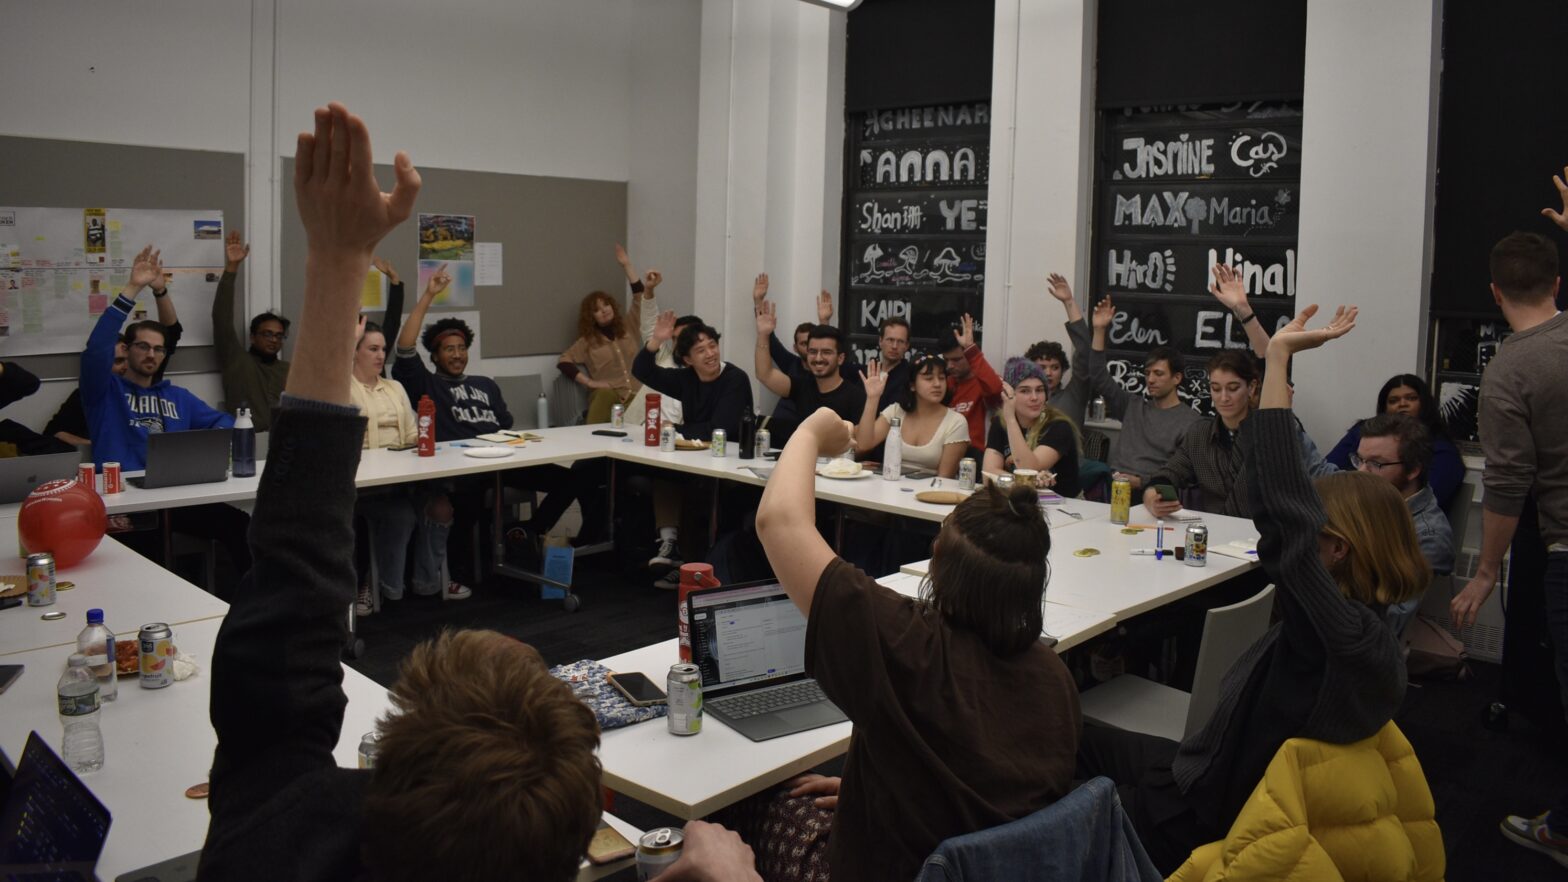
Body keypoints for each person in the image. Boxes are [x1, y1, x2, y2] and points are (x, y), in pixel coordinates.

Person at [200, 101, 760, 882]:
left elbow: (285, 614)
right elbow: (287, 622)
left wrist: (335, 257)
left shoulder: (274, 844)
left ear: (380, 765)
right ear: (587, 845)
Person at [1077, 304, 1428, 873]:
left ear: (1335, 549)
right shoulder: (1367, 631)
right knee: (1073, 730)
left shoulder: (1337, 633)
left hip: (1197, 812)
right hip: (1204, 770)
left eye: (1316, 524)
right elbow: (1287, 517)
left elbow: (1281, 512)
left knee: (1066, 768)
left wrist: (1279, 358)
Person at [751, 405, 1080, 881]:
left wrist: (809, 430)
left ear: (938, 559)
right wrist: (876, 785)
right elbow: (978, 782)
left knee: (741, 813)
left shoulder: (907, 644)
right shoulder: (1054, 676)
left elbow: (780, 522)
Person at [1448, 220, 1568, 864]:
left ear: (1494, 293)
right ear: (1556, 282)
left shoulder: (1511, 370)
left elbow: (1509, 480)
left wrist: (1488, 570)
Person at [47, 264, 184, 447]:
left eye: (128, 359)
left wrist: (160, 290)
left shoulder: (147, 375)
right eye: (118, 361)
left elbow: (170, 333)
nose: (125, 366)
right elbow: (54, 433)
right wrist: (103, 444)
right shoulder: (95, 390)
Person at [347, 317, 423, 615]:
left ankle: (392, 588)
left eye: (383, 349)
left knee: (416, 510)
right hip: (356, 484)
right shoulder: (343, 387)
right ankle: (363, 584)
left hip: (395, 479)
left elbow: (411, 434)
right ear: (354, 351)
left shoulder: (395, 387)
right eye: (372, 349)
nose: (380, 356)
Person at [1354, 412, 1454, 636]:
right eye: (1359, 460)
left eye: (1375, 463)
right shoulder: (1376, 498)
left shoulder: (1428, 536)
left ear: (1413, 469)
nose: (1361, 472)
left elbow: (1391, 623)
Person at [1087, 294, 1201, 490]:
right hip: (1113, 485)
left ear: (1177, 378)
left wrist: (1141, 482)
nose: (1150, 379)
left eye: (1158, 374)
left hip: (1152, 490)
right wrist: (1099, 330)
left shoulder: (1190, 422)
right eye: (1147, 373)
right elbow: (1098, 377)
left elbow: (1185, 474)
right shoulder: (1133, 405)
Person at [1142, 349, 1259, 518]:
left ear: (1251, 387)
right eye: (1216, 389)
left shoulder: (1267, 434)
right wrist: (1152, 496)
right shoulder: (1200, 434)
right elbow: (1170, 473)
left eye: (1233, 388)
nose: (1224, 398)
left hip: (1258, 534)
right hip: (1212, 531)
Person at [1323, 374, 1464, 511]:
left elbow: (1431, 499)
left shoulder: (1443, 450)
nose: (1402, 404)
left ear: (1424, 403)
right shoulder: (1364, 432)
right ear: (1384, 407)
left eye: (1411, 398)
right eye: (1393, 400)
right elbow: (1329, 472)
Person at [557, 248, 650, 424]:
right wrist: (590, 383)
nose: (604, 311)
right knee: (603, 398)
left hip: (635, 396)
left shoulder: (629, 326)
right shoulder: (587, 341)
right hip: (607, 397)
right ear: (591, 317)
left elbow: (640, 296)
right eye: (597, 310)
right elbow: (564, 361)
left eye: (606, 305)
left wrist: (627, 265)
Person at [632, 310, 753, 442]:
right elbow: (642, 371)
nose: (710, 354)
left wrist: (673, 427)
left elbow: (718, 430)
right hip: (694, 451)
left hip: (730, 453)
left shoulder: (735, 379)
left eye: (712, 346)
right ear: (688, 360)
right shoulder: (686, 378)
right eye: (701, 350)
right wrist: (656, 340)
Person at [213, 231, 291, 430]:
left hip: (283, 443)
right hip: (245, 443)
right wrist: (232, 268)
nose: (274, 340)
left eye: (279, 336)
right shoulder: (236, 361)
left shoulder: (288, 370)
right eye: (267, 334)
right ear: (253, 337)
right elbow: (221, 318)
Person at [854, 354, 969, 479]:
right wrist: (873, 398)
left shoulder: (956, 422)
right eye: (929, 378)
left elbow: (945, 478)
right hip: (891, 485)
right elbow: (864, 444)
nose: (937, 384)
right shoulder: (896, 411)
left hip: (930, 492)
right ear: (912, 385)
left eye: (942, 378)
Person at [753, 300, 865, 425]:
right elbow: (765, 374)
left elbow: (862, 442)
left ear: (840, 358)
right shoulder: (802, 386)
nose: (818, 358)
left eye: (826, 352)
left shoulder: (856, 397)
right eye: (812, 351)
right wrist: (763, 334)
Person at [984, 358, 1081, 497]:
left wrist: (1011, 420)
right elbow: (988, 474)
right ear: (1009, 394)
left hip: (1064, 506)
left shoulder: (1058, 426)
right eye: (1025, 391)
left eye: (1040, 390)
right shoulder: (1001, 422)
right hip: (1018, 501)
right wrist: (1025, 482)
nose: (1034, 397)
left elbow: (1029, 468)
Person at [1026, 272, 1092, 424]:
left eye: (1055, 367)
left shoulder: (1073, 396)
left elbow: (1085, 352)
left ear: (1063, 371)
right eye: (1042, 367)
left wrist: (1069, 302)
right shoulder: (1022, 399)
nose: (1048, 373)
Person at [938, 313, 1003, 448]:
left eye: (956, 359)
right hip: (944, 454)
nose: (950, 365)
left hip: (975, 459)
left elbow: (996, 388)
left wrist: (971, 349)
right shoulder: (944, 383)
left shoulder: (983, 383)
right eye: (946, 360)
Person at [870, 317, 912, 411]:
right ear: (880, 341)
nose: (894, 346)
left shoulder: (909, 377)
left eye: (900, 341)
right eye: (890, 340)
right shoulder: (869, 372)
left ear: (907, 346)